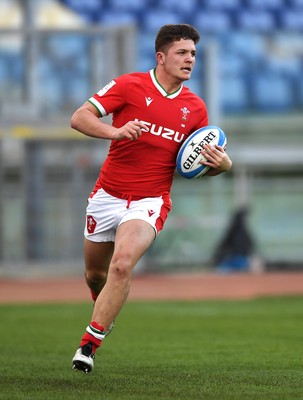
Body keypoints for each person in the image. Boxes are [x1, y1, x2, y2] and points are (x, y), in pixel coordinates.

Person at [70, 24, 232, 373]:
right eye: (182, 53)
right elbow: (78, 117)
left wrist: (224, 164)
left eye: (193, 54)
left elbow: (200, 164)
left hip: (150, 200)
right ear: (161, 57)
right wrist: (116, 131)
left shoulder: (195, 109)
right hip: (107, 196)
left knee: (123, 263)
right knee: (95, 273)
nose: (190, 59)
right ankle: (103, 306)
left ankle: (89, 345)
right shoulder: (129, 85)